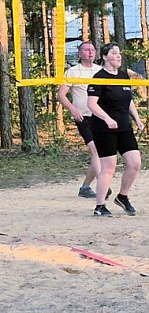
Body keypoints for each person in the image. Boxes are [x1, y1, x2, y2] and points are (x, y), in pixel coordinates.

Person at [87, 42, 145, 217]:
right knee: (109, 167)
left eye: (119, 53)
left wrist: (137, 118)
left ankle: (122, 196)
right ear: (105, 57)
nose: (118, 56)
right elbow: (91, 104)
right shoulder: (99, 77)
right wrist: (107, 118)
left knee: (135, 163)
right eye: (114, 53)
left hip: (124, 127)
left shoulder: (123, 76)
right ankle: (100, 206)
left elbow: (128, 101)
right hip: (104, 128)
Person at [57, 41, 107, 199]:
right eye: (86, 50)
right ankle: (103, 186)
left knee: (99, 153)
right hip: (83, 116)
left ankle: (85, 187)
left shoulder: (101, 71)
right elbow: (61, 95)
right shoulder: (72, 72)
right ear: (79, 54)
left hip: (100, 116)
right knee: (95, 151)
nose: (90, 52)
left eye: (92, 50)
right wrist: (73, 109)